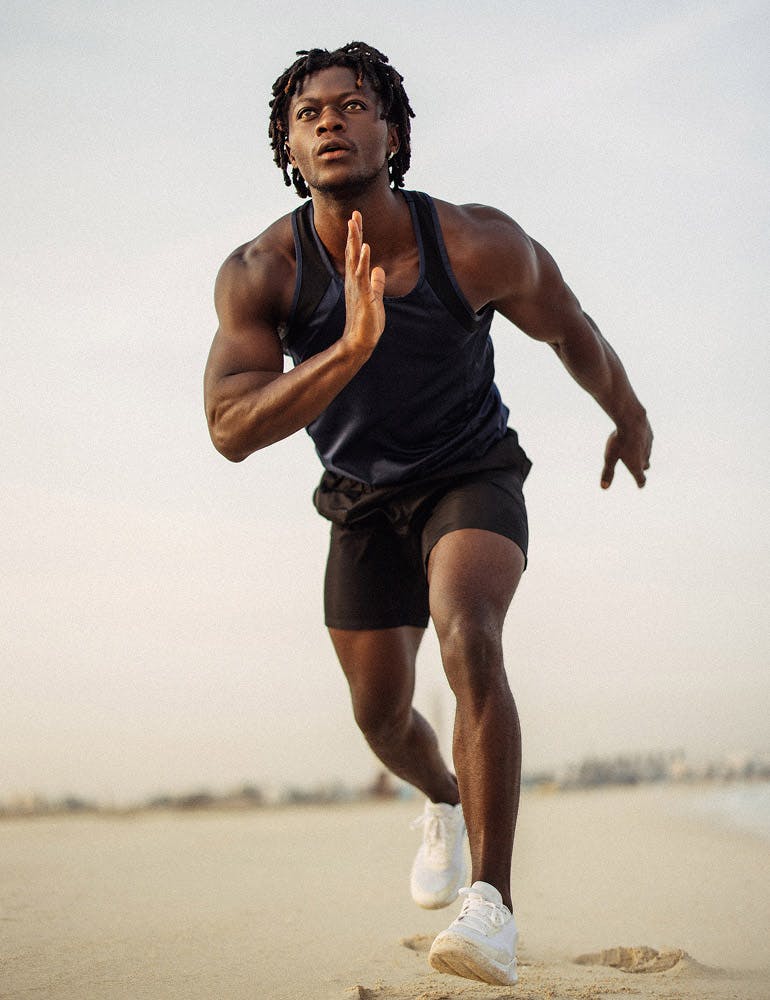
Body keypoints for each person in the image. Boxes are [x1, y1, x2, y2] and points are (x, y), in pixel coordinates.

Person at [204, 41, 652, 986]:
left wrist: (631, 417)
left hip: (470, 468)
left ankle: (490, 906)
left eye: (354, 104)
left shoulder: (478, 242)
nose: (331, 119)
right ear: (289, 147)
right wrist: (346, 350)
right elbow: (230, 428)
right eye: (309, 112)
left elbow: (573, 330)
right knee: (378, 716)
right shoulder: (262, 272)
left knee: (469, 631)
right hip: (361, 500)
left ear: (393, 133)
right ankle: (444, 796)